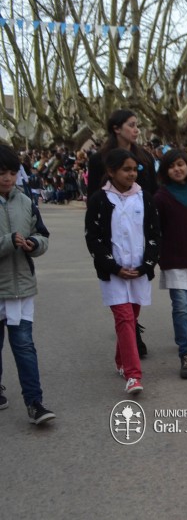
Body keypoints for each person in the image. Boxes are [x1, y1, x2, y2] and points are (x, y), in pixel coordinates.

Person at [85, 149, 161, 395]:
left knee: (131, 318)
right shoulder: (99, 199)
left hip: (139, 271)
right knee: (125, 318)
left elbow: (154, 234)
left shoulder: (144, 198)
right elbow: (93, 239)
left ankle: (121, 360)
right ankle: (133, 375)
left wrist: (146, 265)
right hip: (113, 273)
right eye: (126, 169)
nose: (131, 174)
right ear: (111, 172)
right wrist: (114, 267)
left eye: (134, 170)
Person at [0, 145, 54, 425]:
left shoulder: (25, 201)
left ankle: (35, 403)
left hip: (21, 289)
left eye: (11, 172)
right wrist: (8, 242)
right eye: (1, 173)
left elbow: (42, 235)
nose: (7, 178)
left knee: (24, 346)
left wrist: (33, 244)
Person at [154, 149, 187, 378]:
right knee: (181, 306)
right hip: (173, 260)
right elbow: (158, 231)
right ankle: (185, 353)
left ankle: (183, 334)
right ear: (165, 171)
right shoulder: (160, 197)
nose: (177, 169)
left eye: (180, 164)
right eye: (171, 166)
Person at [87, 110, 158, 197]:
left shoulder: (146, 157)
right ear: (117, 129)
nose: (136, 130)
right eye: (131, 125)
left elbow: (154, 190)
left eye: (137, 126)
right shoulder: (98, 159)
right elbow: (92, 195)